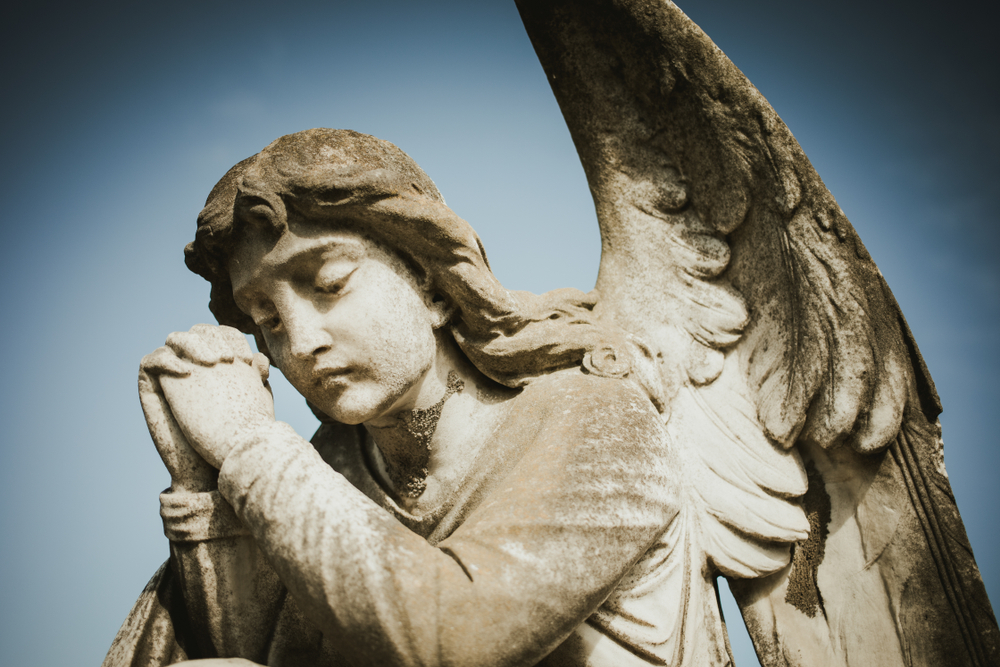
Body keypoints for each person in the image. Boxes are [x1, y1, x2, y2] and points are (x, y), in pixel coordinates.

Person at [104, 128, 696, 667]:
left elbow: (457, 639)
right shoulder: (330, 467)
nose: (301, 341)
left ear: (434, 284)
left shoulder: (597, 420)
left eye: (329, 285)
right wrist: (204, 492)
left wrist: (250, 447)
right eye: (268, 320)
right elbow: (243, 652)